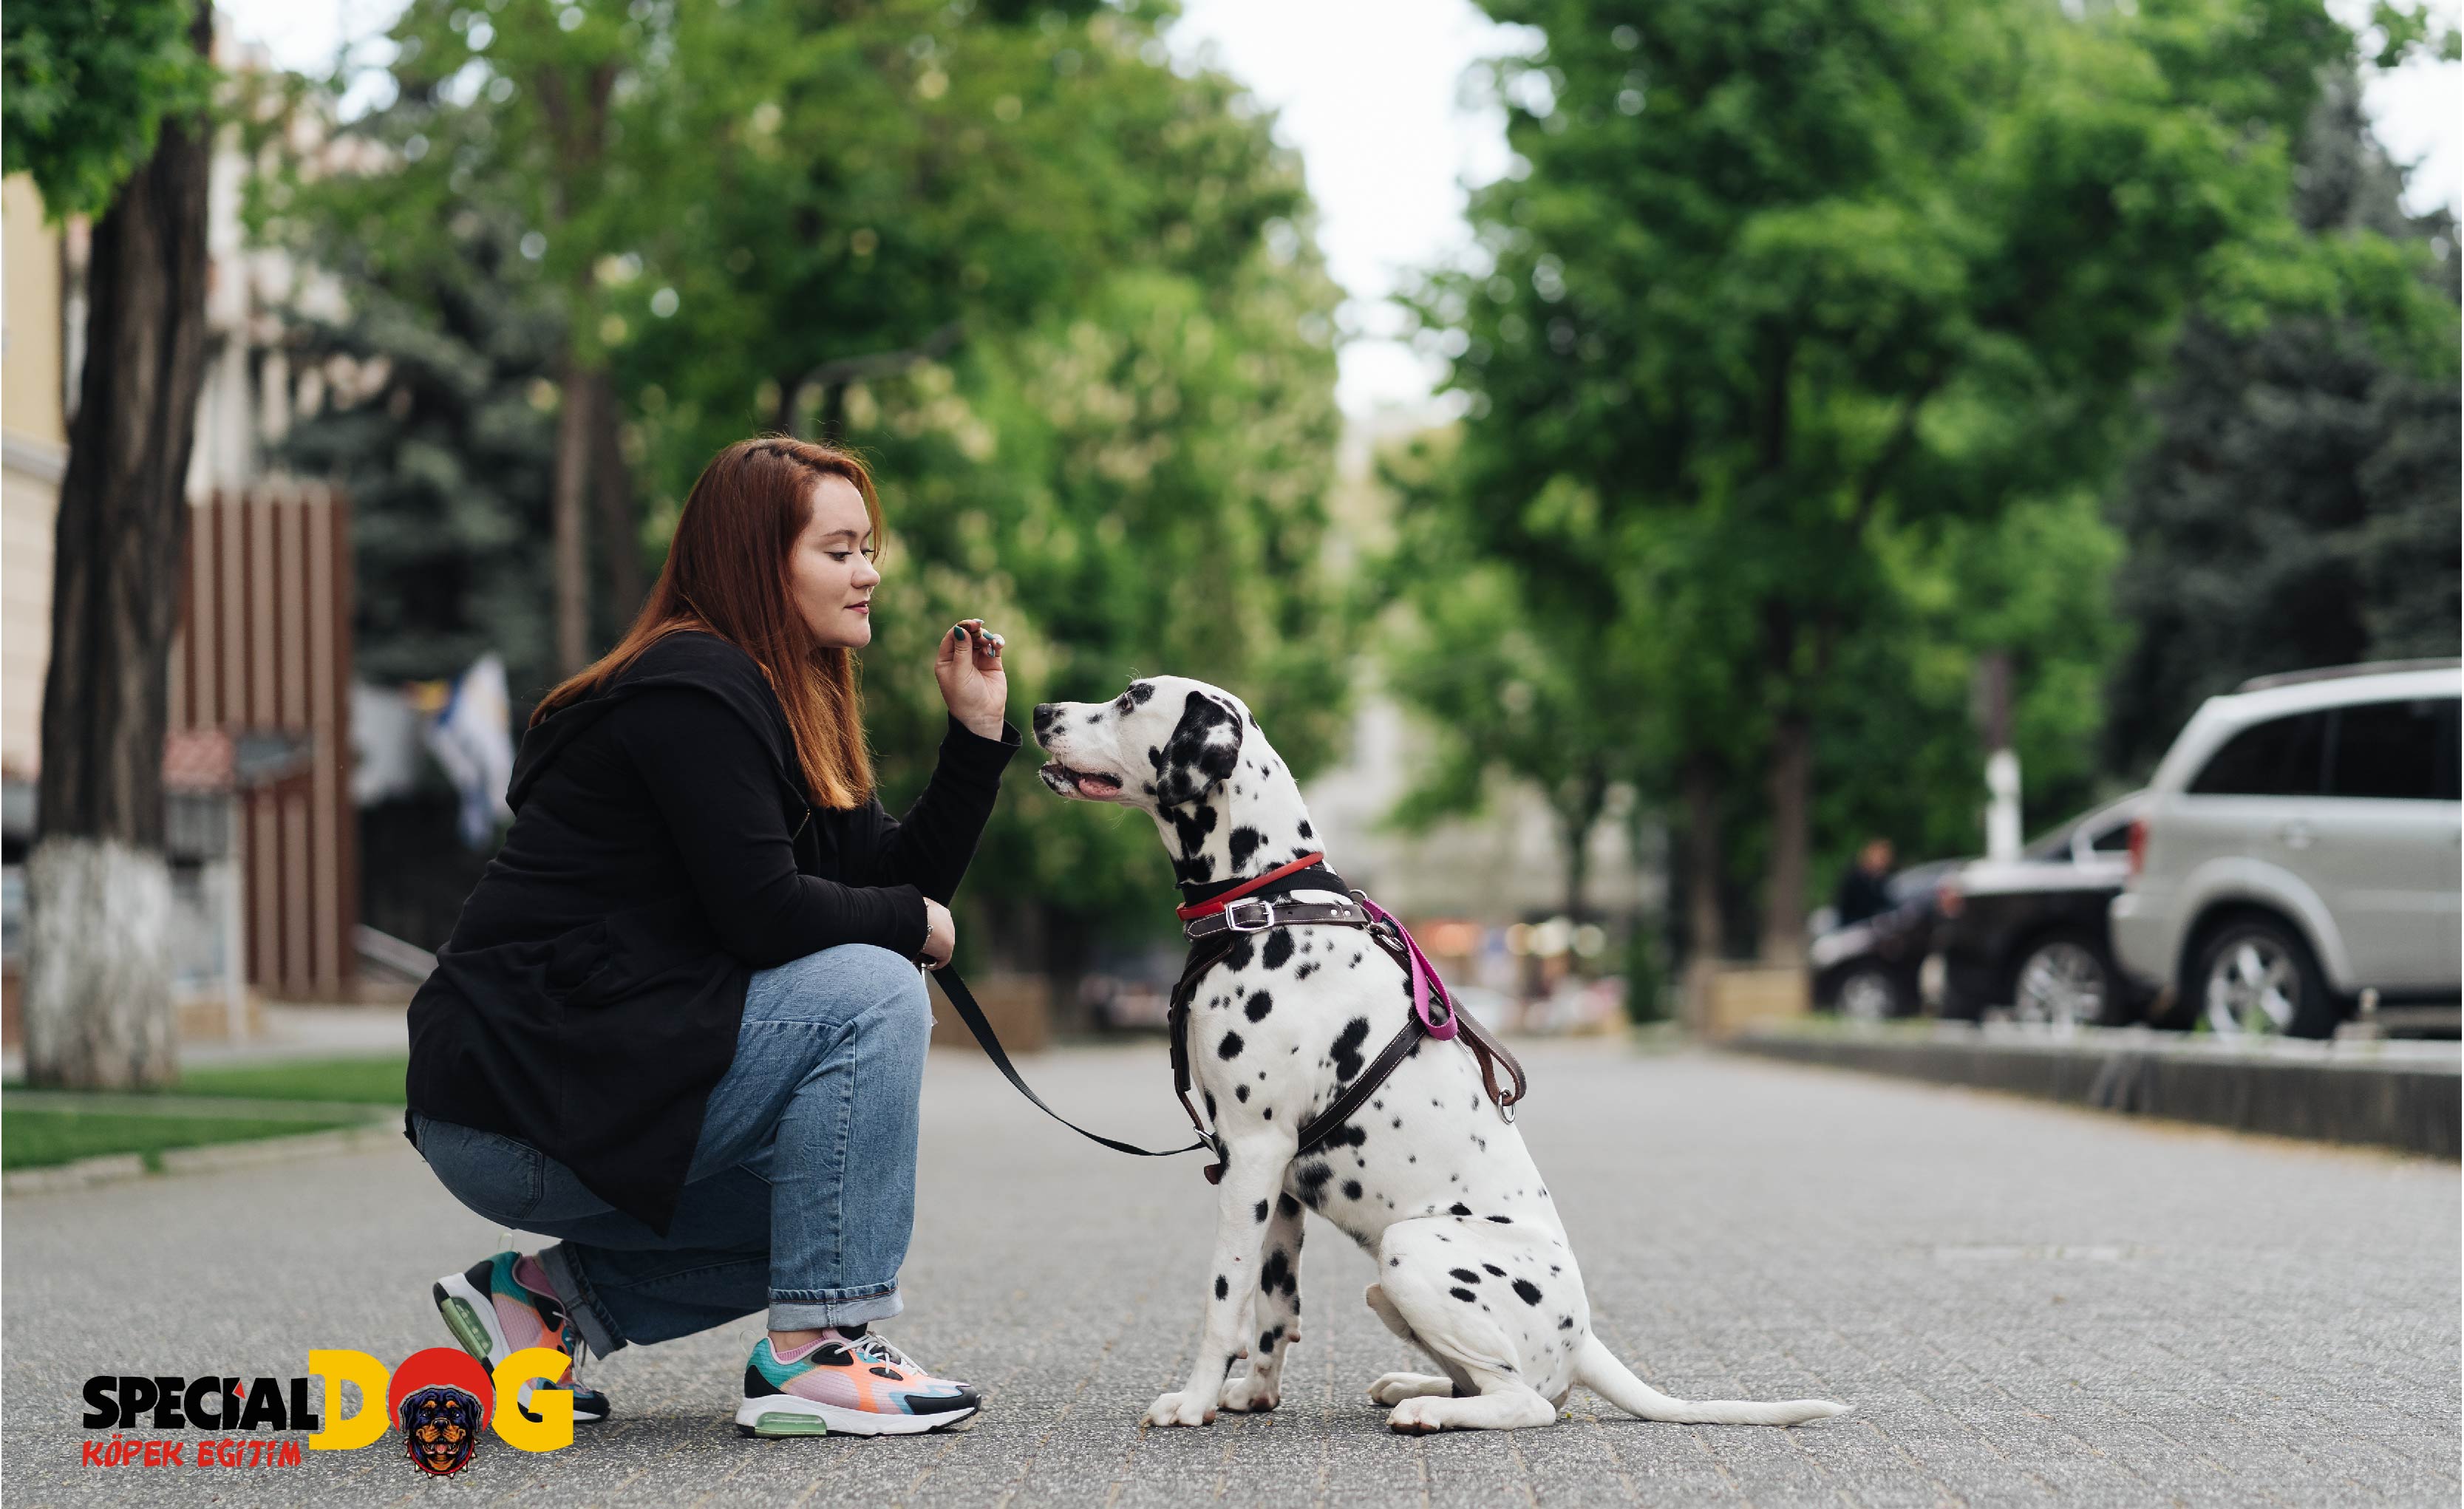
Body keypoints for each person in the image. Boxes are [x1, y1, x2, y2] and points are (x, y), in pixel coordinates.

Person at [404, 437, 1019, 1439]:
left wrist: (977, 739)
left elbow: (892, 879)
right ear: (757, 561)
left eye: (869, 548)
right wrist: (908, 926)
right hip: (516, 1097)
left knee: (834, 1196)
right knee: (875, 988)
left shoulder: (773, 700)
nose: (870, 572)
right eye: (840, 550)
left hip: (579, 1082)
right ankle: (817, 1351)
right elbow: (767, 912)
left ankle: (537, 1307)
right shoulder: (692, 689)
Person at [1832, 837, 1896, 928]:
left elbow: (1887, 904)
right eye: (1881, 858)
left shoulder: (1880, 880)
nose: (1884, 862)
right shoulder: (1855, 878)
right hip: (1853, 927)